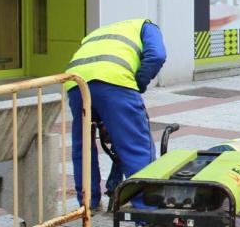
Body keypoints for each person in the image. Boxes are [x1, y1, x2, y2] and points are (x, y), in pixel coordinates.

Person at [66, 18, 167, 210]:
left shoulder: (99, 33)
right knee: (135, 146)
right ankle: (145, 211)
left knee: (83, 148)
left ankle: (88, 206)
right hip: (114, 81)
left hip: (75, 83)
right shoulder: (147, 26)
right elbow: (157, 56)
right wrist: (138, 85)